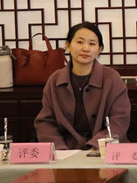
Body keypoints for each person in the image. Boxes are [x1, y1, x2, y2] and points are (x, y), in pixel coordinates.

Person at [35, 22, 131, 150]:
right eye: (80, 42)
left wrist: (96, 146)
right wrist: (59, 149)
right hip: (66, 150)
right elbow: (46, 122)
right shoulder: (55, 80)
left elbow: (119, 120)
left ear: (99, 49)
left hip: (106, 149)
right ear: (68, 46)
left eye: (92, 44)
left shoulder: (112, 79)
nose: (86, 48)